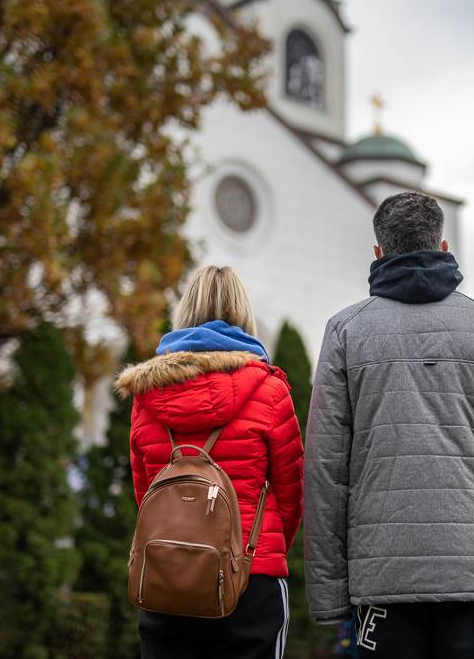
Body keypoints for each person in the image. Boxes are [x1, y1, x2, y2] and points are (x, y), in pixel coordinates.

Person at [304, 192, 474, 659]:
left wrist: (330, 593)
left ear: (378, 253)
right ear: (442, 245)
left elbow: (325, 472)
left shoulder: (345, 332)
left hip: (382, 578)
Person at [115, 265, 304, 659]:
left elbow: (144, 491)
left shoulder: (146, 396)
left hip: (166, 579)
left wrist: (177, 541)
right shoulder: (270, 389)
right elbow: (291, 497)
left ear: (184, 313)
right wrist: (260, 552)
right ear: (243, 313)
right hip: (252, 580)